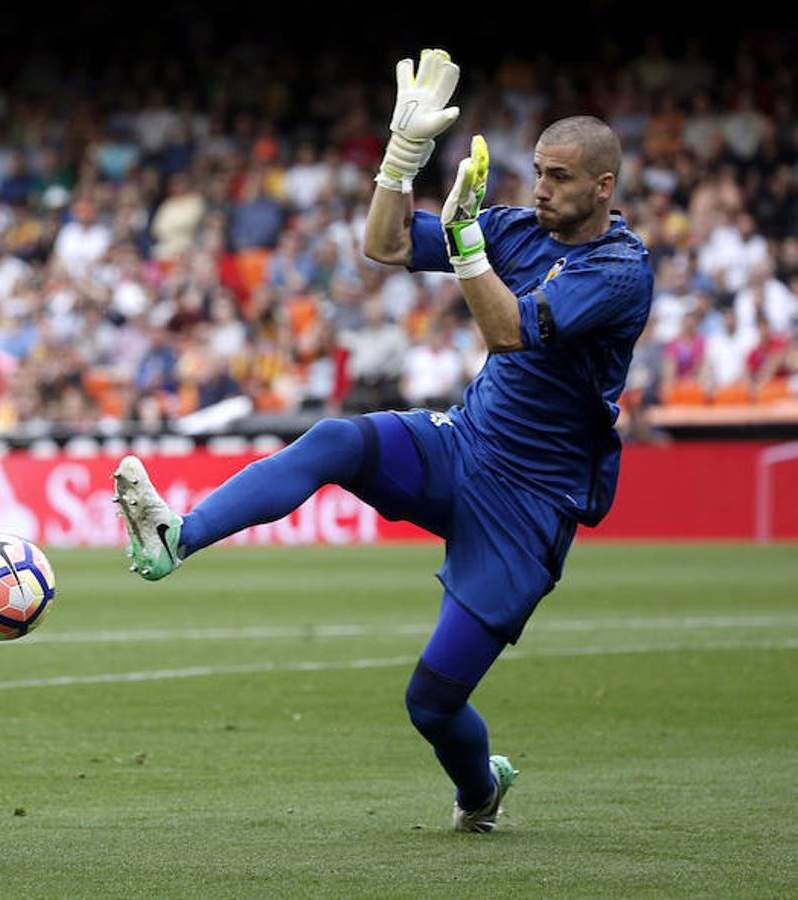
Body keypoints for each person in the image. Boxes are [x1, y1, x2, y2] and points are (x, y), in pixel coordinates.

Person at [112, 49, 652, 833]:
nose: (540, 187)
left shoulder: (618, 268)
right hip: (464, 445)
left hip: (530, 507)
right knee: (334, 440)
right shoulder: (516, 226)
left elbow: (509, 333)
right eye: (537, 169)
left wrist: (466, 241)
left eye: (560, 177)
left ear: (602, 185)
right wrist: (399, 160)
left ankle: (479, 792)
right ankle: (175, 535)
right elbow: (386, 246)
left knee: (431, 703)